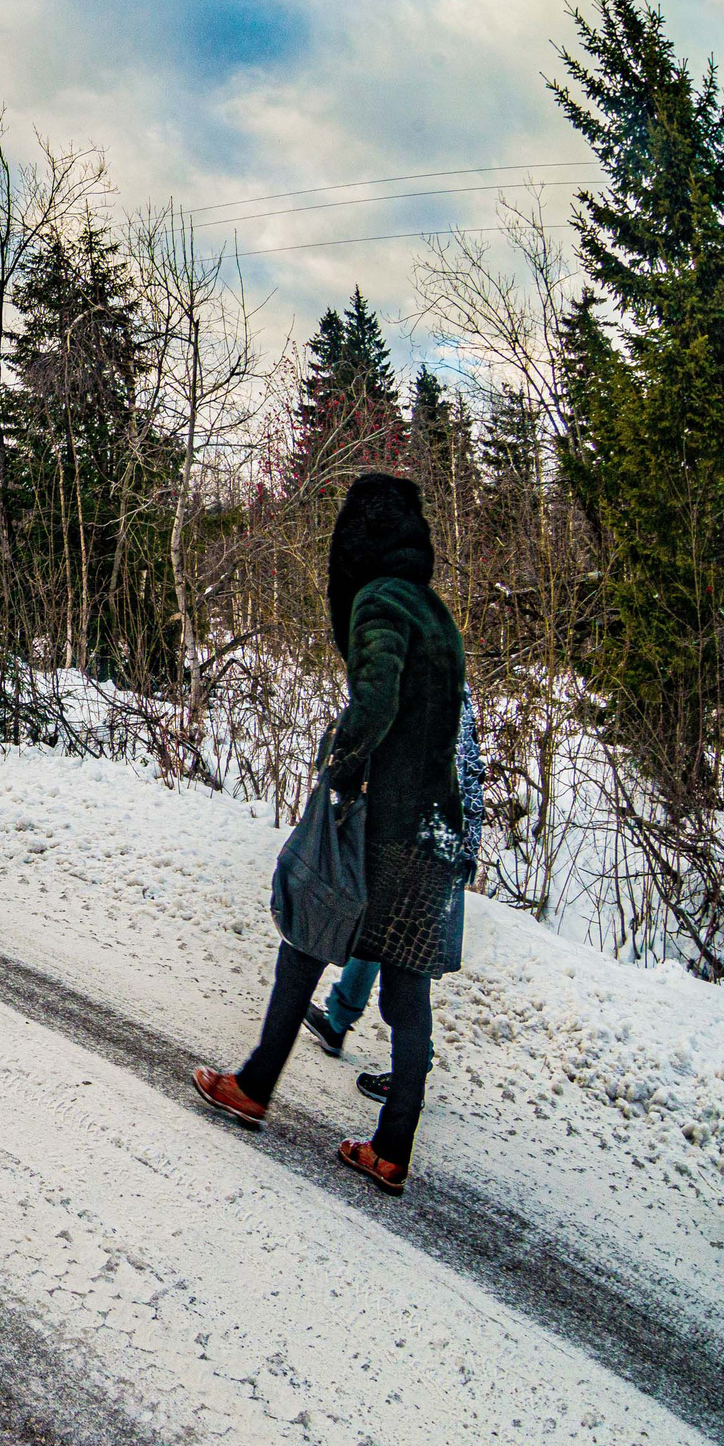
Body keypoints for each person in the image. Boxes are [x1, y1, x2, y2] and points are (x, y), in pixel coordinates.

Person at [195, 473, 467, 1196]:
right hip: (433, 831)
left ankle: (253, 1085)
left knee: (307, 939)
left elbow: (375, 696)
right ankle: (391, 1149)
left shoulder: (380, 600)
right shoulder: (437, 614)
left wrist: (340, 762)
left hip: (383, 824)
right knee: (407, 992)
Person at [305, 690, 486, 1096]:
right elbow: (471, 769)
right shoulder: (453, 682)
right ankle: (338, 1021)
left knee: (405, 980)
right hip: (437, 846)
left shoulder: (419, 676)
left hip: (421, 848)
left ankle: (410, 1075)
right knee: (381, 938)